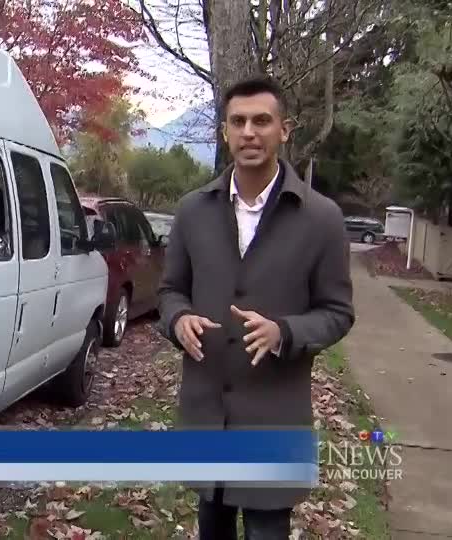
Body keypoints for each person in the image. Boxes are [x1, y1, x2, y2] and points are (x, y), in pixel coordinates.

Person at [157, 76, 355, 539]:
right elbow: (169, 291)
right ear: (224, 132)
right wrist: (178, 319)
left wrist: (284, 332)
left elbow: (338, 312)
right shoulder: (193, 211)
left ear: (284, 130)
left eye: (262, 121)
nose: (249, 132)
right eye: (238, 122)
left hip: (274, 422)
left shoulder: (322, 219)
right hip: (206, 417)